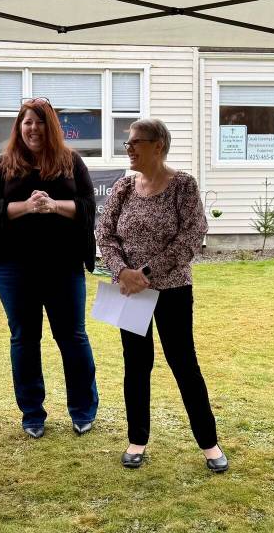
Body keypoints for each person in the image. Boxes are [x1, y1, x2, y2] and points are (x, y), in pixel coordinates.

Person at [96, 119, 227, 473]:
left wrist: (147, 274)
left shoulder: (182, 185)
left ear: (159, 146)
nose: (129, 148)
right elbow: (105, 234)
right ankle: (136, 439)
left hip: (172, 290)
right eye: (128, 143)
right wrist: (123, 271)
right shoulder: (123, 187)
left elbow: (191, 236)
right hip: (128, 291)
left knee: (184, 364)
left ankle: (209, 444)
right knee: (135, 367)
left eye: (136, 142)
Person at [0, 98, 98, 438]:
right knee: (25, 339)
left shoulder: (71, 162)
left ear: (52, 127)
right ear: (19, 128)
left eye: (40, 122)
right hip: (13, 268)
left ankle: (83, 409)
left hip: (63, 266)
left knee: (73, 337)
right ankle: (32, 414)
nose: (33, 128)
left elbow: (89, 208)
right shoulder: (3, 165)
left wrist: (54, 206)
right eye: (27, 122)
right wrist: (27, 206)